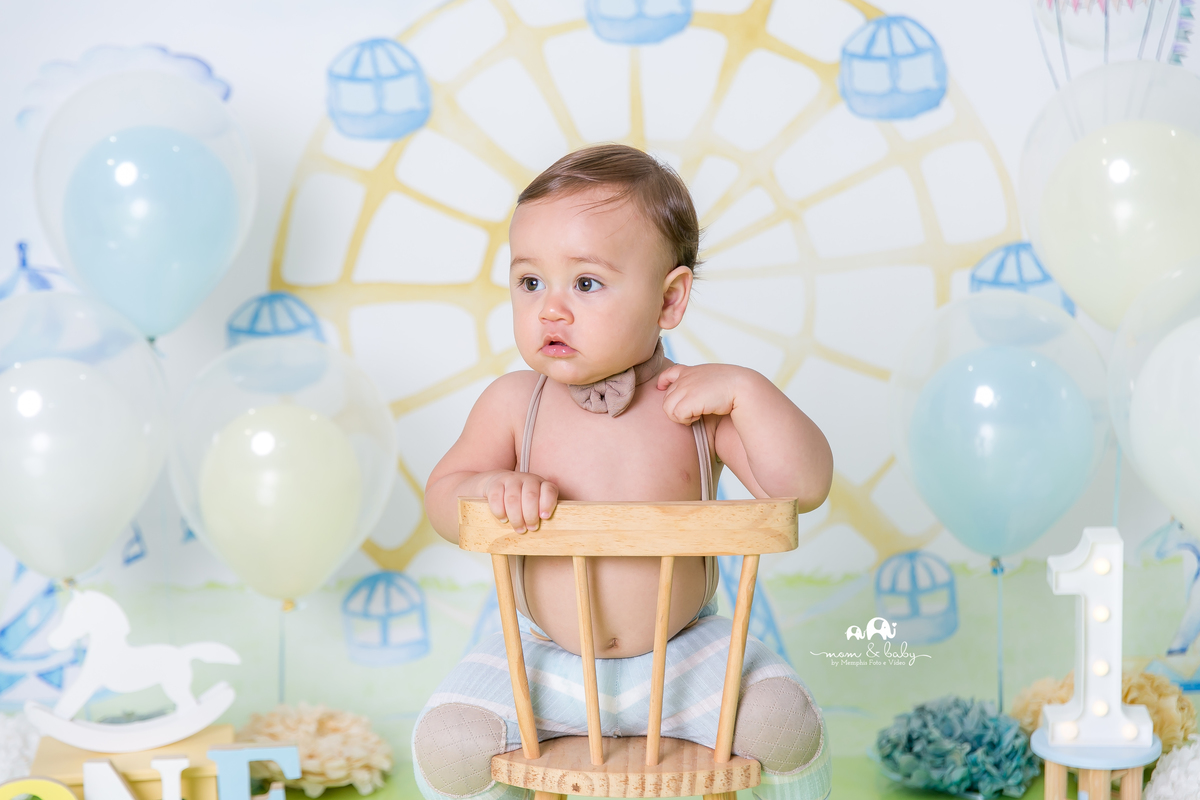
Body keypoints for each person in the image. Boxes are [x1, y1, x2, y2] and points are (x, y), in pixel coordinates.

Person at [412, 144, 834, 800]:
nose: (551, 308)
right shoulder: (511, 404)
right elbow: (442, 499)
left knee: (783, 726)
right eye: (530, 282)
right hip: (547, 666)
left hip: (685, 657)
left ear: (670, 302)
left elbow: (801, 489)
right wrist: (486, 488)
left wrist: (750, 393)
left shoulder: (694, 402)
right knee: (450, 744)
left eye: (585, 283)